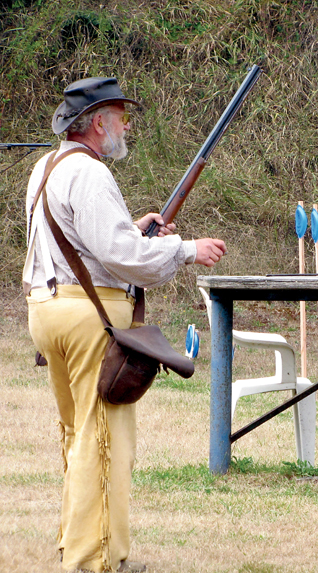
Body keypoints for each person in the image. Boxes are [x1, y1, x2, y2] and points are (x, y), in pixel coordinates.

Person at [24, 77, 226, 572]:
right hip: (88, 316)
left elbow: (90, 242)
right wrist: (185, 250)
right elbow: (123, 257)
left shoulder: (46, 167)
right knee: (104, 441)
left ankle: (76, 543)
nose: (125, 125)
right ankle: (93, 558)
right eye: (119, 116)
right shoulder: (91, 175)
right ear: (97, 123)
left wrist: (134, 228)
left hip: (50, 310)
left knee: (79, 434)